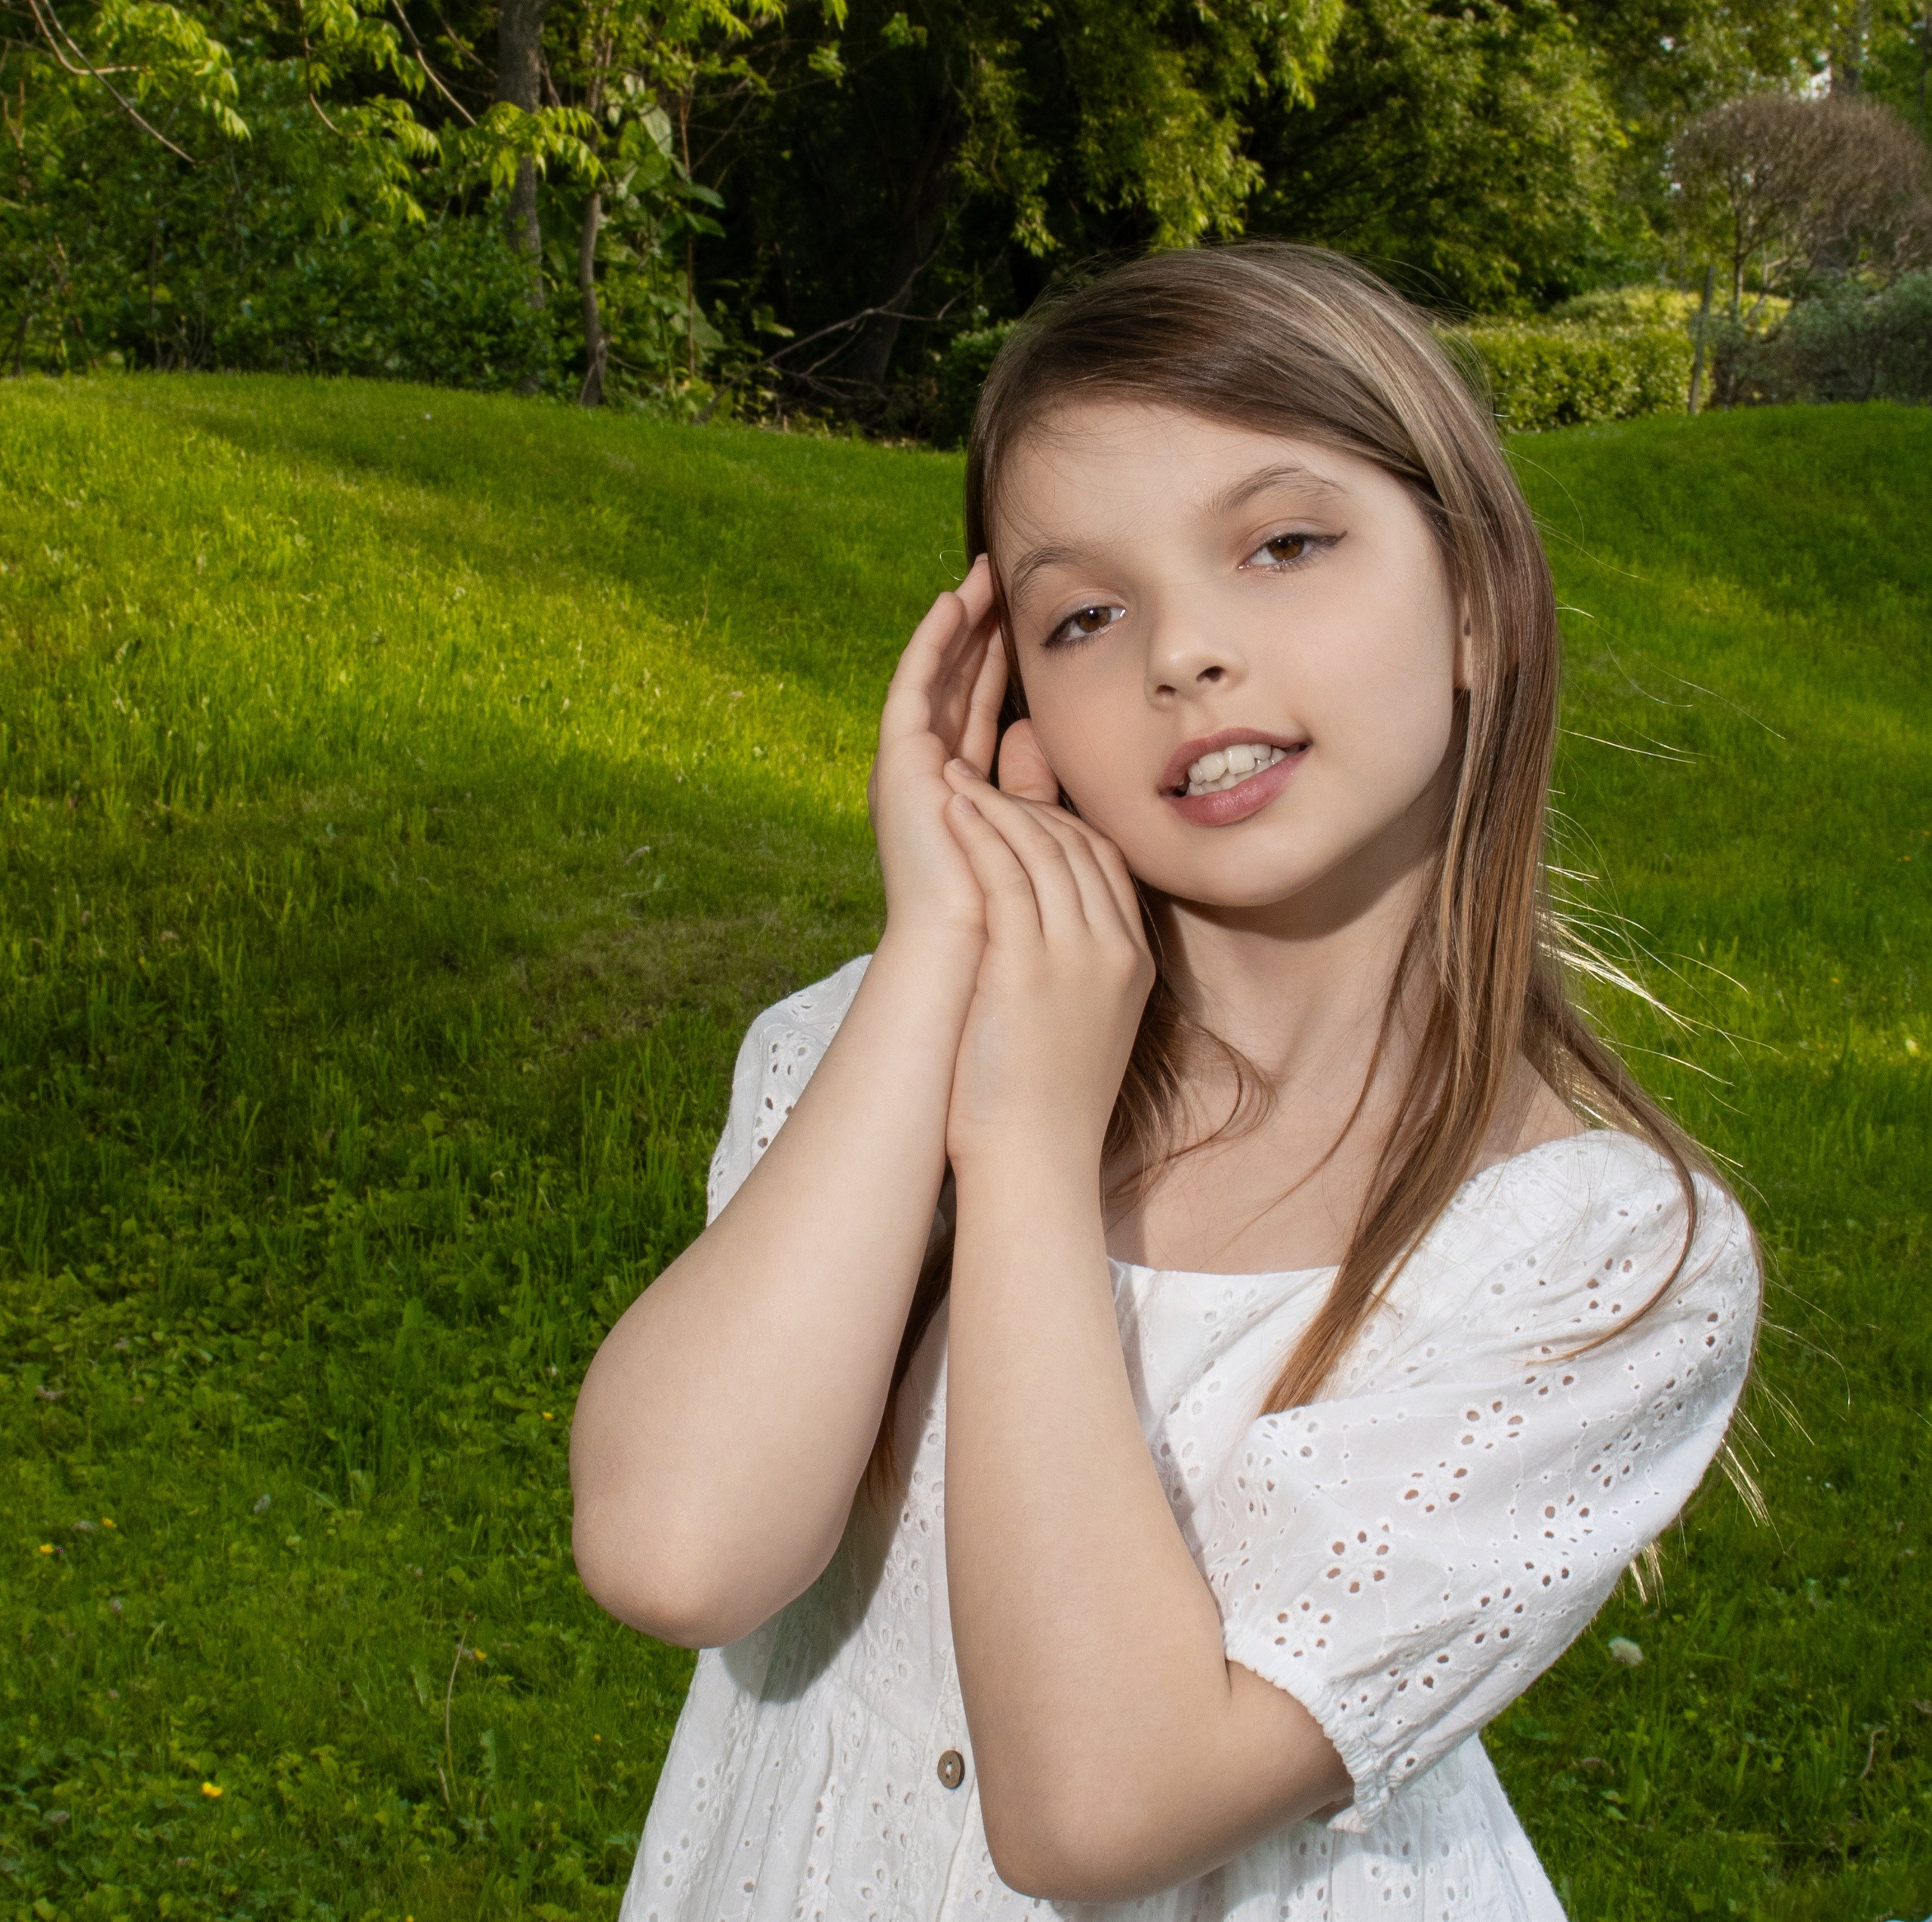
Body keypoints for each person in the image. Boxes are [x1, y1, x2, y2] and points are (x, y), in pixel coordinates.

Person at [569, 242, 1761, 1922]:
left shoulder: (1598, 1259)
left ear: (1477, 602)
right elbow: (675, 1548)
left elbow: (1097, 1807)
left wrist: (1032, 1152)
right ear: (1005, 704)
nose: (1184, 651)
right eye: (1083, 612)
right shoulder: (865, 1048)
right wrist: (935, 961)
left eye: (1282, 543)